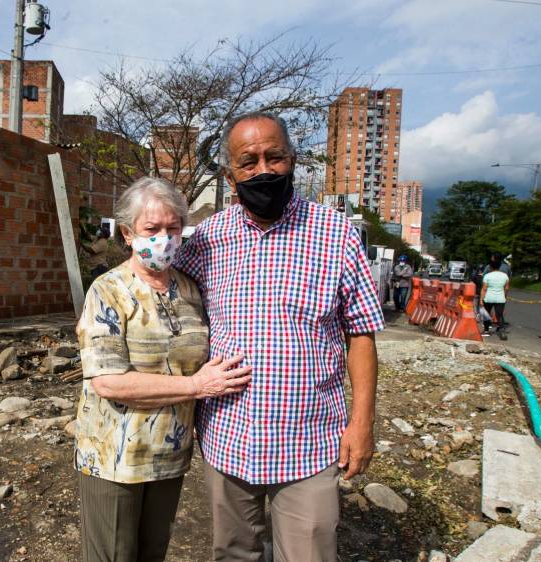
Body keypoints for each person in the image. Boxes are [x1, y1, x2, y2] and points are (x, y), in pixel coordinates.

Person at [173, 112, 385, 561]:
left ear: (293, 160)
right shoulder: (208, 240)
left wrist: (362, 423)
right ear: (231, 175)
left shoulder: (336, 234)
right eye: (248, 161)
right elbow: (170, 305)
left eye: (276, 157)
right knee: (233, 552)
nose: (263, 170)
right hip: (228, 435)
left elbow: (362, 334)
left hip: (308, 439)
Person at [74, 176, 252, 561]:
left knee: (153, 553)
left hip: (169, 455)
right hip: (115, 459)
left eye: (173, 228)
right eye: (152, 229)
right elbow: (107, 381)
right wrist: (197, 386)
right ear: (128, 233)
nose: (165, 238)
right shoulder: (108, 290)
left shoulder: (190, 289)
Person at [481, 257, 510, 340]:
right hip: (500, 298)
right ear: (499, 266)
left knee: (486, 314)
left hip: (488, 297)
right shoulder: (505, 276)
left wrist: (481, 299)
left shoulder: (487, 276)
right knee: (499, 315)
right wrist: (505, 296)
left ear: (490, 267)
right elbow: (507, 288)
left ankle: (486, 331)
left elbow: (484, 289)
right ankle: (502, 330)